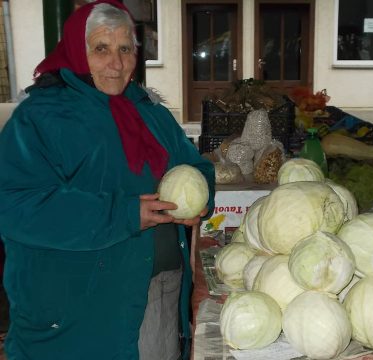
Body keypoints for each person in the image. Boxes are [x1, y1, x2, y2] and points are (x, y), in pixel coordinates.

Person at [0, 1, 215, 359]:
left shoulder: (150, 112)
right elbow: (14, 204)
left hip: (158, 290)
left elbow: (195, 166)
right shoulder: (41, 116)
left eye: (125, 49)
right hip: (79, 307)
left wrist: (200, 200)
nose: (116, 64)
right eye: (101, 49)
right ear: (76, 51)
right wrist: (122, 214)